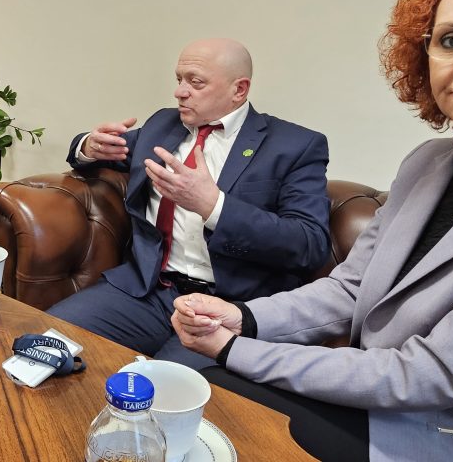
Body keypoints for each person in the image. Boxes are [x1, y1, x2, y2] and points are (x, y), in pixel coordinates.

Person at [172, 0, 453, 462]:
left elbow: (432, 374)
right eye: (450, 40)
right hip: (375, 397)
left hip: (449, 436)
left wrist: (234, 347)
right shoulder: (427, 162)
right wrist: (242, 317)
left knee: (218, 404)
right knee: (206, 396)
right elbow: (351, 288)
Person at [47, 38, 331, 368]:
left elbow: (309, 242)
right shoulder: (163, 125)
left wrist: (214, 206)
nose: (180, 92)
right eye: (179, 79)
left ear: (239, 90)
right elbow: (103, 150)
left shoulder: (294, 146)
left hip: (227, 308)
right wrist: (88, 145)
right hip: (148, 292)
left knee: (163, 389)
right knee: (43, 343)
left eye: (195, 82)